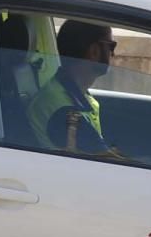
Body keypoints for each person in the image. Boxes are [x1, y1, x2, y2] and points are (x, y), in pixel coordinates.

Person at [26, 19, 118, 154]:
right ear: (94, 51)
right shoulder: (65, 113)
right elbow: (109, 164)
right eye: (111, 46)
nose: (113, 54)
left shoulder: (66, 92)